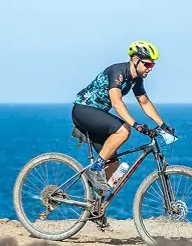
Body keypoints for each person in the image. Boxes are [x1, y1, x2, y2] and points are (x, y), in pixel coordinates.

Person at [71, 40, 175, 191]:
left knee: (112, 163)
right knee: (124, 130)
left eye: (152, 65)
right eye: (147, 64)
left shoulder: (137, 79)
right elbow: (116, 103)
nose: (150, 69)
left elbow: (144, 102)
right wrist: (136, 124)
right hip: (83, 110)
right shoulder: (118, 72)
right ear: (135, 60)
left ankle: (94, 207)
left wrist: (162, 125)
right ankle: (94, 169)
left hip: (97, 114)